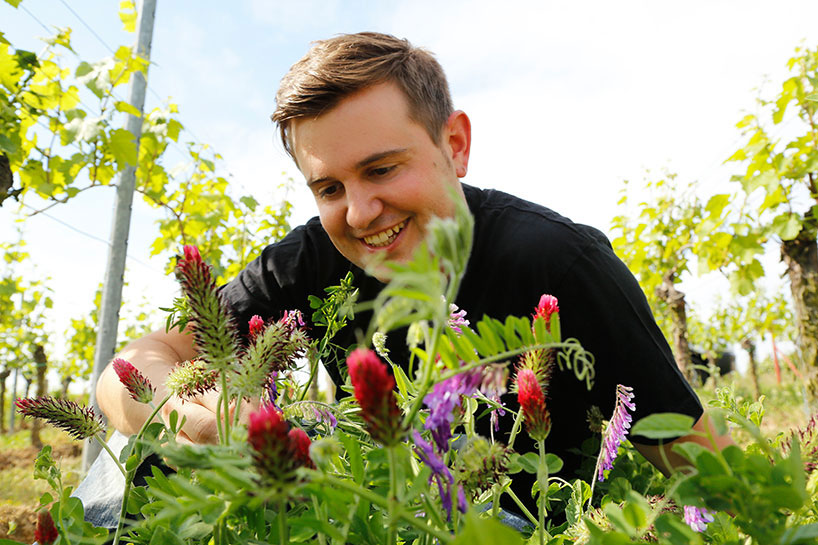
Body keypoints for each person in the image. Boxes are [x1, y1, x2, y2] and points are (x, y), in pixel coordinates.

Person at [96, 32, 730, 518]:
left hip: (509, 518)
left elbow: (700, 461)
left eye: (381, 170)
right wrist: (187, 416)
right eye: (329, 186)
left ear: (454, 145)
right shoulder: (313, 260)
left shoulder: (558, 264)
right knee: (125, 462)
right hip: (358, 505)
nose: (360, 212)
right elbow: (127, 368)